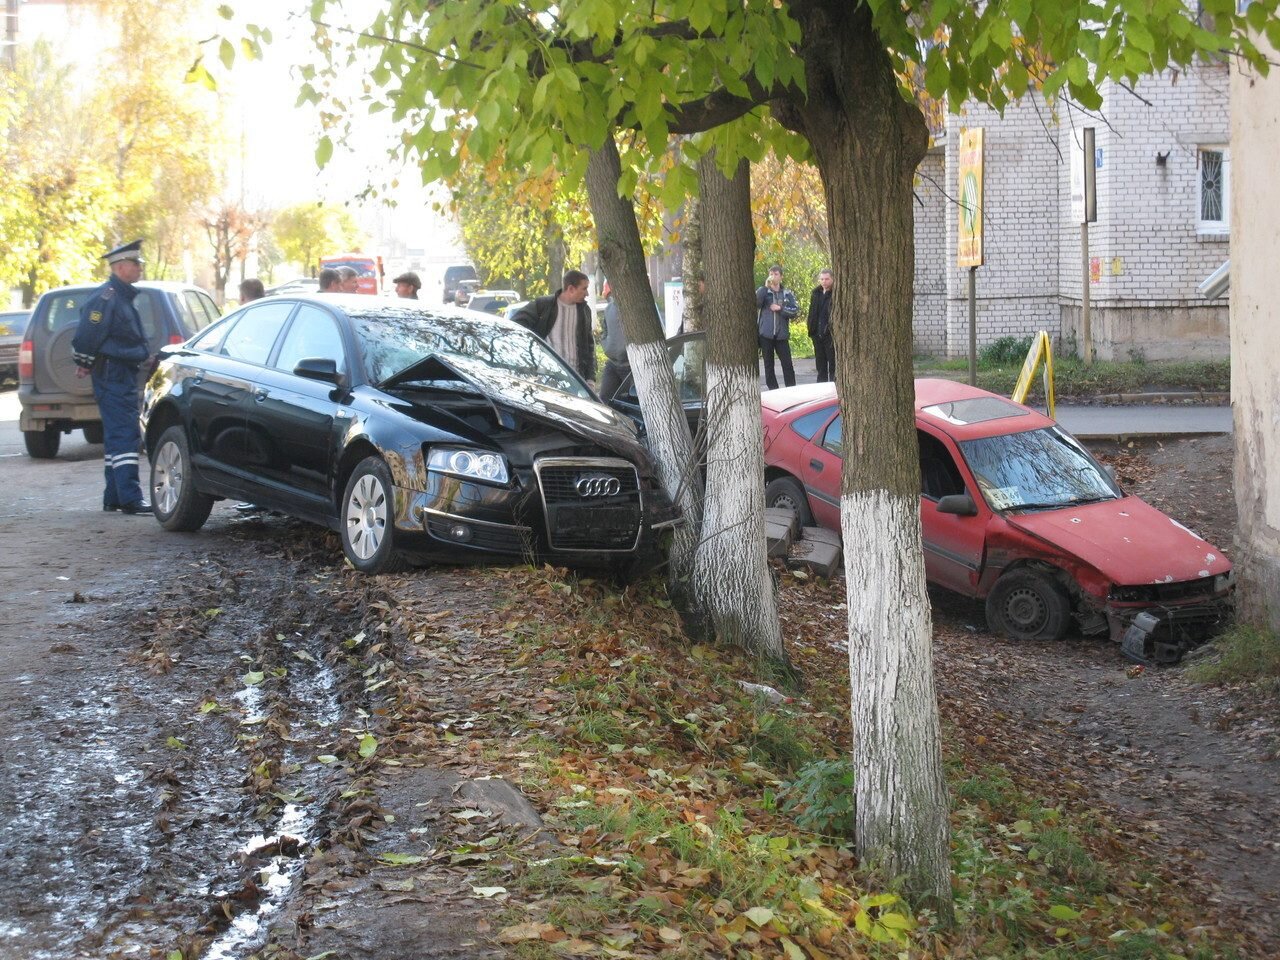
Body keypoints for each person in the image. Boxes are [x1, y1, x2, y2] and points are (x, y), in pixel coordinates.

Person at [70, 239, 152, 514]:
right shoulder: (107, 297)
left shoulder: (121, 297)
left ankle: (114, 496)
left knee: (118, 434)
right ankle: (130, 498)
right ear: (120, 267)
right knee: (125, 434)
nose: (139, 268)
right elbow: (87, 331)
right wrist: (84, 361)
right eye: (135, 264)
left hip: (120, 371)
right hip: (113, 372)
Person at [509, 270, 596, 382]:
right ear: (571, 289)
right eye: (584, 288)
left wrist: (590, 379)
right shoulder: (543, 305)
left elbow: (589, 347)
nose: (587, 293)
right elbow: (516, 323)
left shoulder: (584, 311)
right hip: (547, 377)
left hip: (576, 379)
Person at [756, 264, 799, 389]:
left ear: (781, 277)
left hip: (781, 336)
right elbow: (757, 303)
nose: (773, 277)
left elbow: (794, 311)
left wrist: (780, 308)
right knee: (768, 365)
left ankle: (791, 390)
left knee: (787, 365)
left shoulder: (787, 293)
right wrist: (765, 287)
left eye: (776, 274)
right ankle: (773, 390)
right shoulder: (763, 292)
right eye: (771, 274)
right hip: (766, 335)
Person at [597, 281, 631, 400]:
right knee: (604, 399)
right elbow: (604, 331)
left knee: (632, 402)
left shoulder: (633, 308)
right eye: (608, 296)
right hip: (613, 363)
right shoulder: (608, 309)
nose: (610, 298)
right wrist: (607, 346)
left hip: (630, 365)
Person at [807, 268, 835, 383]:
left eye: (827, 279)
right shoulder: (816, 293)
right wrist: (811, 328)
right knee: (820, 365)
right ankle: (821, 388)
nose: (824, 281)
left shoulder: (834, 294)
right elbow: (812, 312)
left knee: (833, 364)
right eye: (822, 279)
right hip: (816, 334)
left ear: (832, 279)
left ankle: (834, 387)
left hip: (829, 334)